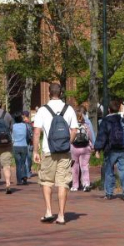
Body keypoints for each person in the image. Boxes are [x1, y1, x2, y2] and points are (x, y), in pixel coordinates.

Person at [32, 83, 78, 224]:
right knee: (63, 182)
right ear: (61, 92)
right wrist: (67, 143)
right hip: (64, 152)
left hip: (48, 151)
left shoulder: (42, 110)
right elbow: (74, 130)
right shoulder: (69, 109)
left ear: (49, 92)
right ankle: (62, 215)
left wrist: (35, 151)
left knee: (46, 181)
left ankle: (48, 211)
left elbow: (36, 132)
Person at [94, 99, 124, 201]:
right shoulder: (123, 121)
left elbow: (102, 136)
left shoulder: (106, 121)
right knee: (123, 170)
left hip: (111, 150)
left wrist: (97, 149)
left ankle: (109, 193)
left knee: (108, 171)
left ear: (108, 109)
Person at [71, 106, 94, 192]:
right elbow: (90, 136)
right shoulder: (86, 125)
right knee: (84, 166)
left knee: (75, 167)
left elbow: (70, 137)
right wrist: (92, 146)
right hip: (85, 148)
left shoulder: (72, 126)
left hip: (75, 148)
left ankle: (75, 185)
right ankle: (86, 184)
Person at [12, 112, 30, 185]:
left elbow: (11, 136)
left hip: (15, 146)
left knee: (18, 164)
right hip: (24, 145)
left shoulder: (13, 126)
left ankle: (19, 180)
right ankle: (24, 176)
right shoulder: (25, 125)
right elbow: (28, 134)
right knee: (23, 163)